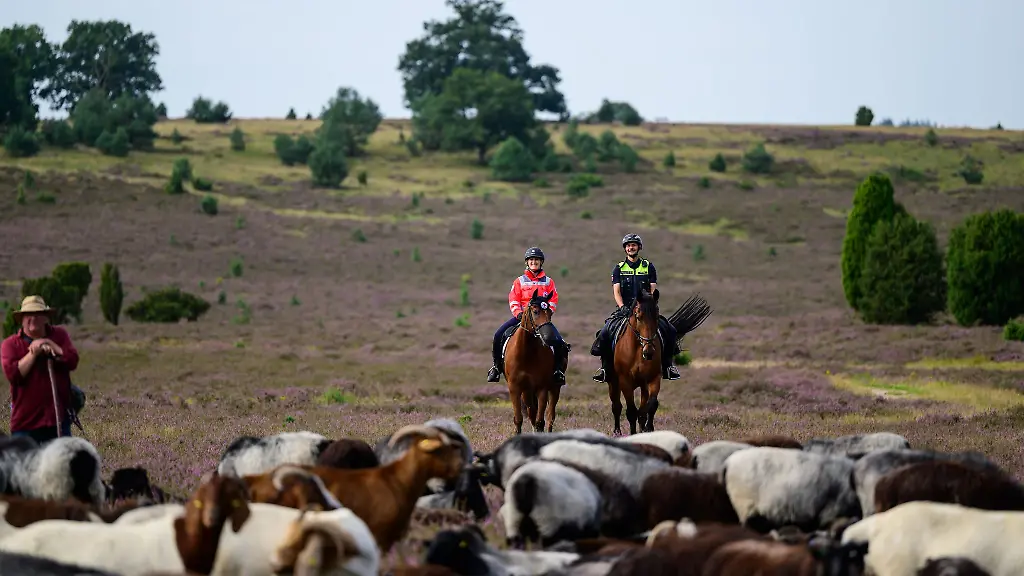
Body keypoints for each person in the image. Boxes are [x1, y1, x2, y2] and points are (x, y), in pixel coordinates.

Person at [590, 233, 681, 383]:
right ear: (625, 249)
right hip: (625, 309)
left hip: (645, 309)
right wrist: (622, 307)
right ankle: (605, 369)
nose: (631, 247)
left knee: (670, 330)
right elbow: (616, 292)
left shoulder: (648, 266)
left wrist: (646, 305)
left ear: (639, 247)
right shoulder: (618, 268)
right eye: (628, 245)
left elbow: (652, 289)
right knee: (605, 332)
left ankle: (667, 367)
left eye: (633, 245)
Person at [1, 295, 78, 443]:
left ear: (46, 318)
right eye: (28, 315)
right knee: (25, 466)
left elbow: (72, 360)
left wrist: (49, 343)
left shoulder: (59, 335)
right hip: (25, 424)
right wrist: (34, 353)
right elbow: (14, 375)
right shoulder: (10, 345)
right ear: (22, 319)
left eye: (37, 314)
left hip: (58, 421)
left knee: (60, 465)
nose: (33, 318)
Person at [486, 246, 569, 384]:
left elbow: (553, 299)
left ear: (541, 262)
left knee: (559, 341)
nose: (534, 262)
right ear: (527, 262)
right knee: (498, 335)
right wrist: (518, 313)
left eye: (536, 260)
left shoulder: (549, 282)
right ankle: (496, 368)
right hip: (522, 318)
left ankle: (558, 371)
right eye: (531, 260)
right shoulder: (519, 281)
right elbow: (513, 299)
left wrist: (547, 314)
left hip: (541, 319)